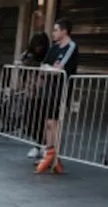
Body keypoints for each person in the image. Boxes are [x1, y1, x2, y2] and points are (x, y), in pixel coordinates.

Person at [35, 18, 79, 171]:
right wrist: (48, 69)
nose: (53, 33)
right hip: (49, 89)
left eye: (56, 30)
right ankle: (48, 152)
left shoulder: (71, 47)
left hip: (62, 90)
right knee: (48, 123)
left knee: (56, 123)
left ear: (64, 31)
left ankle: (55, 155)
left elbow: (59, 69)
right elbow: (43, 66)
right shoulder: (53, 48)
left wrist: (51, 69)